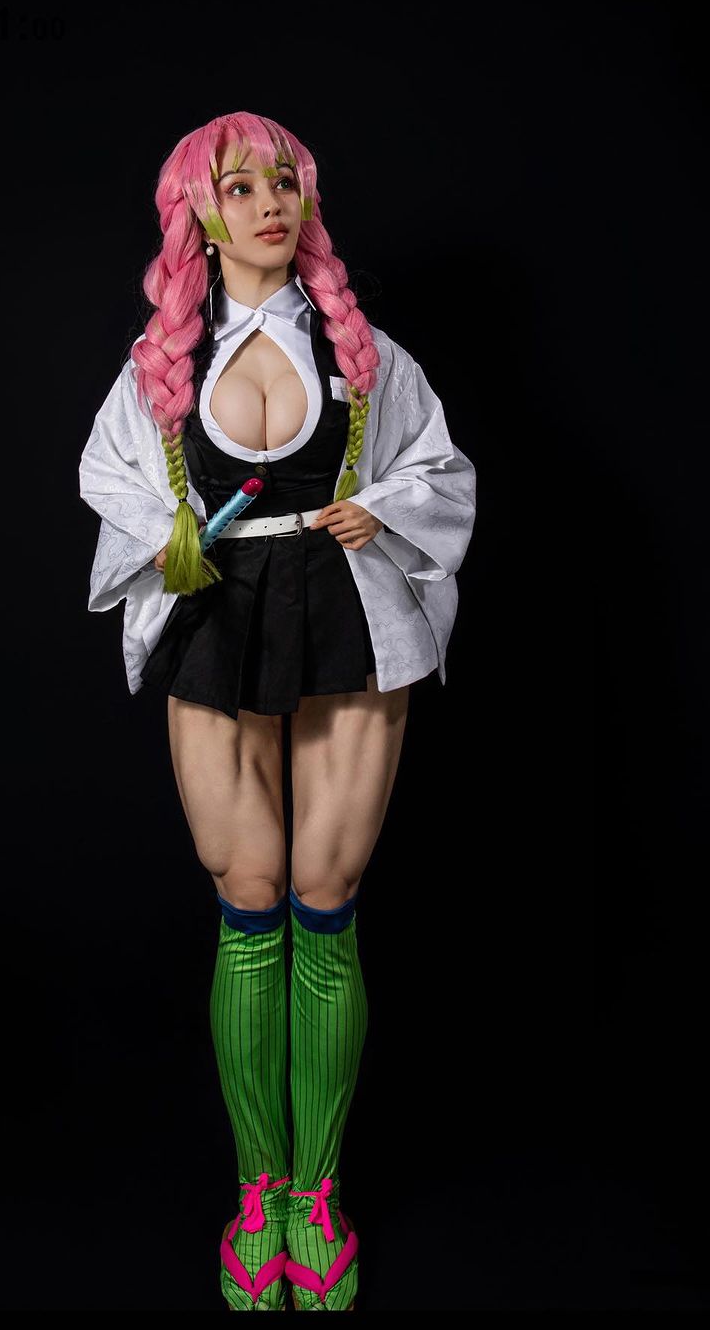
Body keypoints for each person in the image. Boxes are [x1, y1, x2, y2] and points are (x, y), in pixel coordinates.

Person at [78, 111, 477, 1311]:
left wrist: (384, 507)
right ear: (198, 212)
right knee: (246, 898)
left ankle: (320, 1193)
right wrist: (170, 532)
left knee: (325, 897)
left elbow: (440, 467)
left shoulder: (365, 354)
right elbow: (107, 474)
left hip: (349, 618)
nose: (268, 203)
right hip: (218, 626)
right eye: (241, 185)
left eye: (285, 182)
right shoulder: (162, 364)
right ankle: (259, 1193)